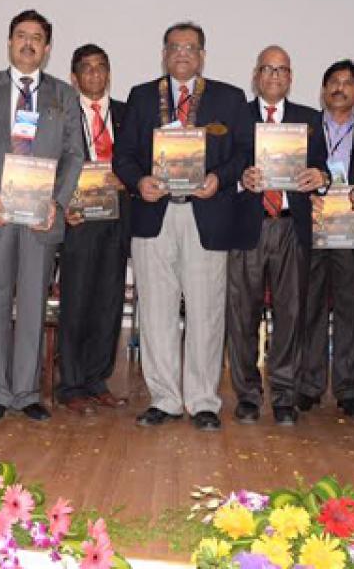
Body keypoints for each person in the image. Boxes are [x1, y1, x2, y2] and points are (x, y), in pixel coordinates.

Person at [112, 22, 248, 431]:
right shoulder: (141, 96)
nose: (182, 53)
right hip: (154, 214)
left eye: (191, 47)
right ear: (164, 54)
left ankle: (203, 400)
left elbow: (244, 152)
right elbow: (123, 155)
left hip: (207, 214)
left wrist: (218, 179)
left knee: (207, 311)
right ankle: (165, 399)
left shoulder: (229, 97)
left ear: (202, 55)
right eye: (175, 47)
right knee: (156, 311)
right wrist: (139, 181)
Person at [0, 10, 85, 423]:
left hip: (40, 216)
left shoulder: (64, 95)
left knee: (33, 301)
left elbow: (75, 154)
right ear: (9, 42)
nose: (28, 43)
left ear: (47, 49)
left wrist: (57, 202)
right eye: (21, 36)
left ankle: (27, 391)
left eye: (37, 38)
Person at [229, 46, 328, 426]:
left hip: (291, 226)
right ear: (256, 75)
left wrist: (321, 177)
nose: (274, 76)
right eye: (267, 69)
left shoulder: (309, 119)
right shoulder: (237, 115)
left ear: (290, 77)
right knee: (243, 315)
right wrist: (241, 178)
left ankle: (285, 395)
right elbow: (223, 163)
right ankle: (248, 396)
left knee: (290, 314)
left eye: (281, 70)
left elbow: (323, 169)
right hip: (247, 226)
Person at [56, 44, 131, 416]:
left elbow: (141, 159)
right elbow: (48, 163)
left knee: (109, 302)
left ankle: (97, 380)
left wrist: (127, 179)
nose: (95, 74)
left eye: (102, 67)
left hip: (117, 217)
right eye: (87, 68)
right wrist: (61, 204)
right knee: (76, 302)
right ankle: (70, 385)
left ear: (109, 74)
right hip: (78, 219)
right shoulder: (60, 115)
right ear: (74, 78)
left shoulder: (127, 113)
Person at [298, 60, 354, 420]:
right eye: (334, 83)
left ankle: (348, 390)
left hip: (352, 229)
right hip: (310, 229)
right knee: (309, 308)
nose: (340, 88)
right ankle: (309, 386)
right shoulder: (304, 128)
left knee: (349, 311)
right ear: (324, 90)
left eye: (348, 83)